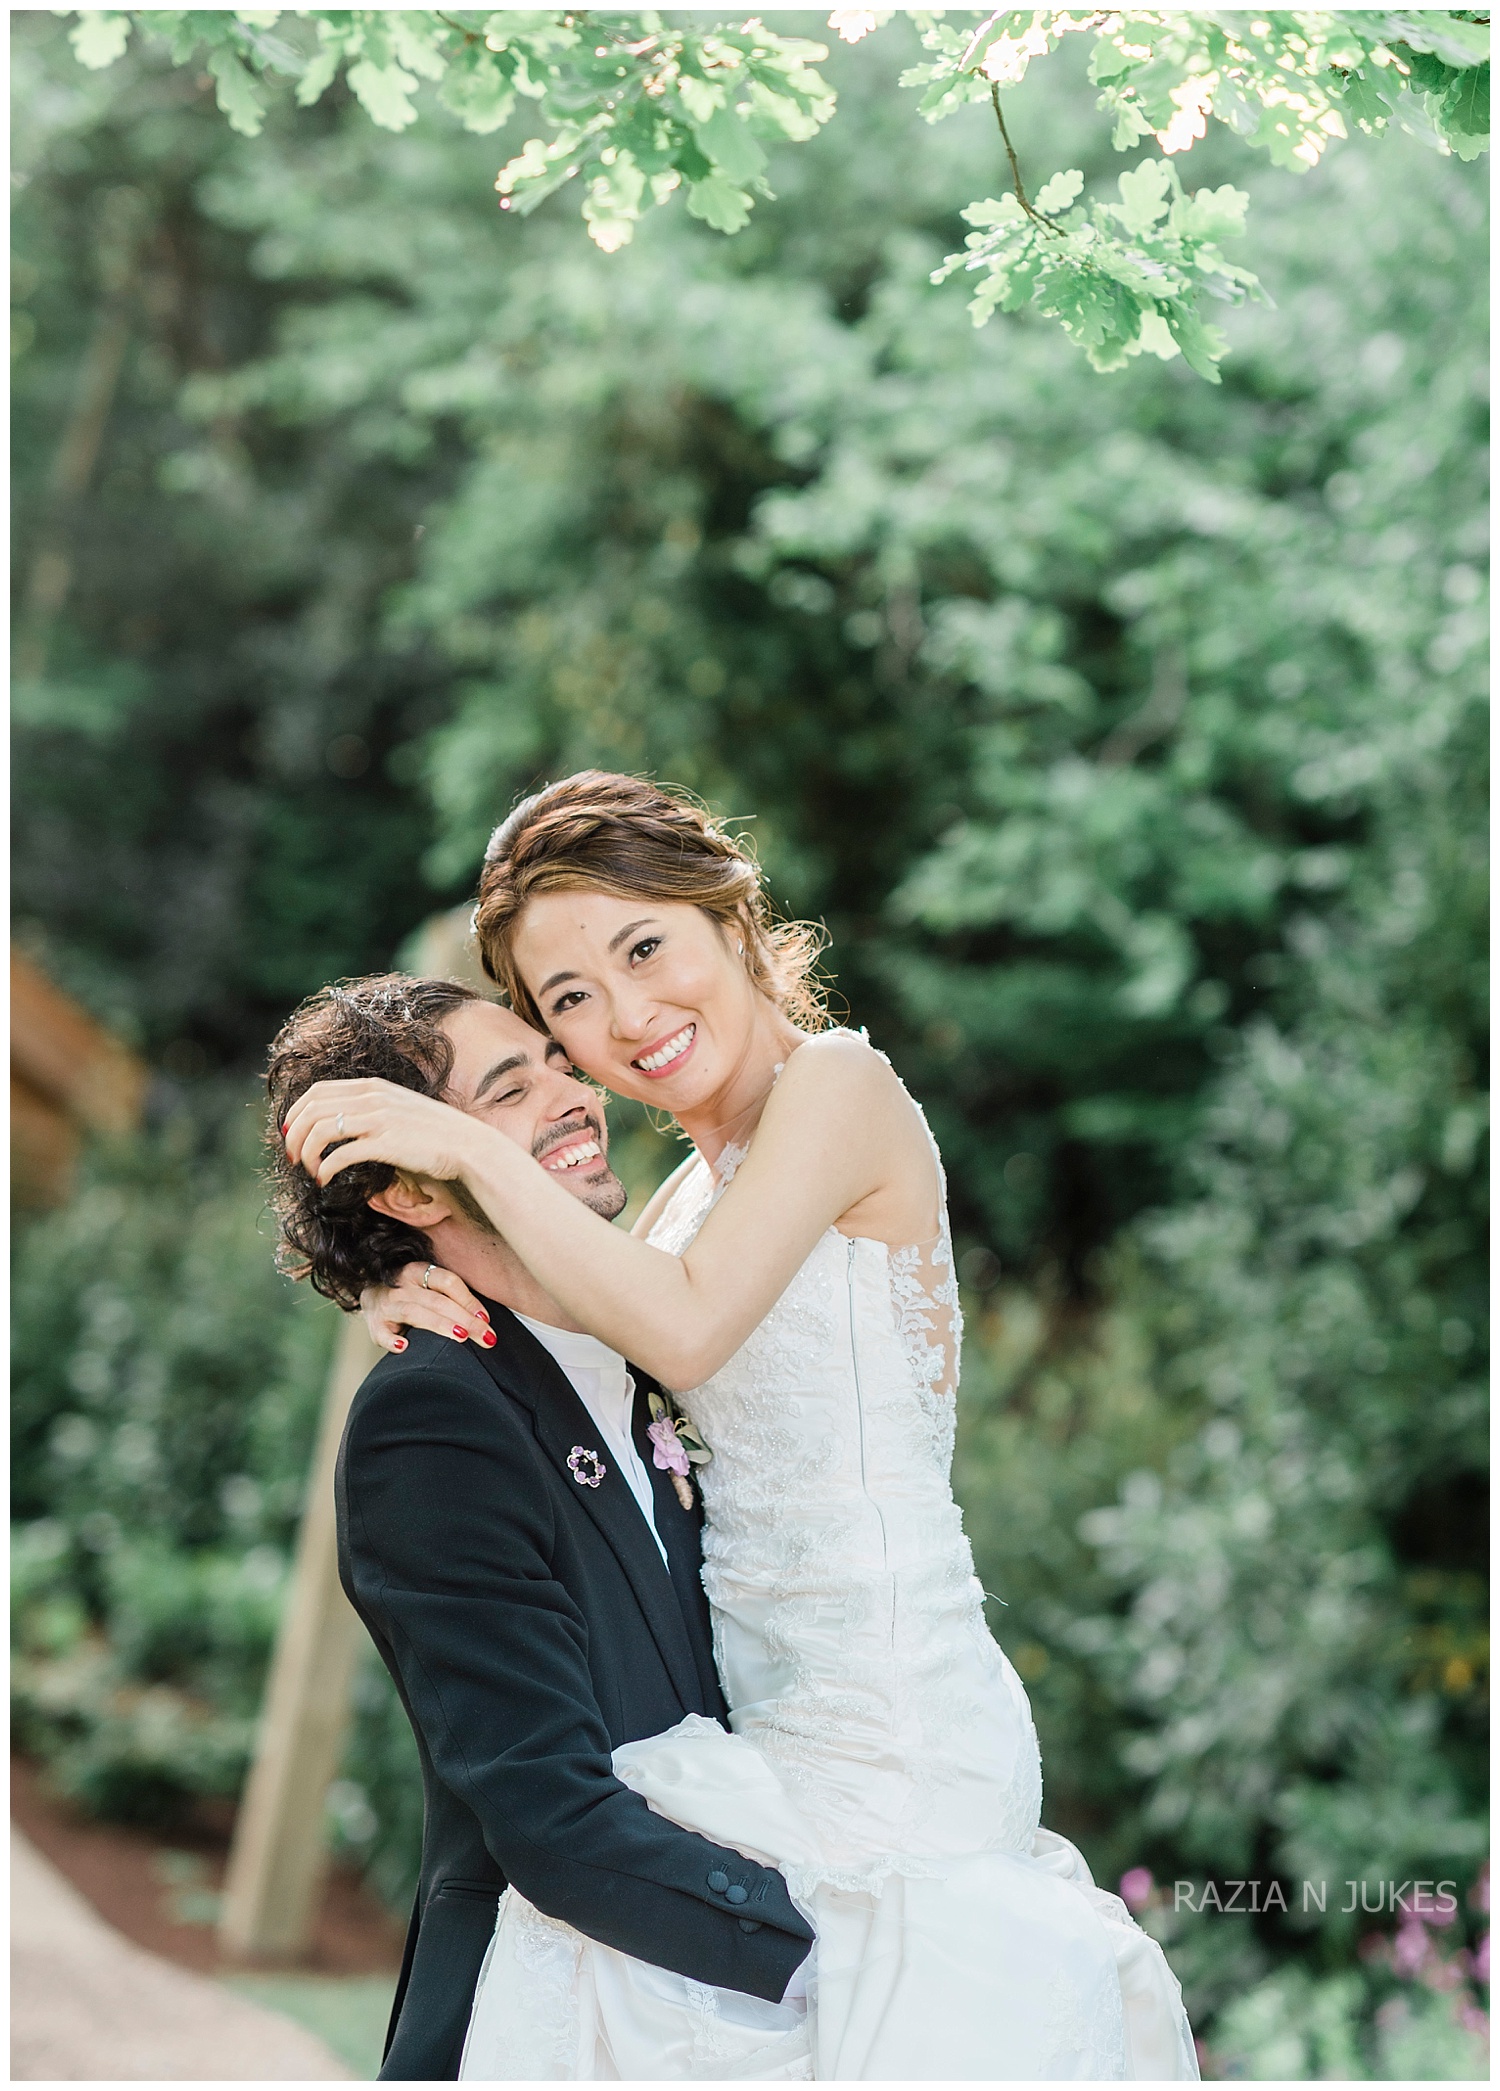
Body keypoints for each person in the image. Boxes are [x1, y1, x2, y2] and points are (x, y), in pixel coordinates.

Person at [283, 772, 1200, 2081]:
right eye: (569, 1001)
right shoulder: (675, 1209)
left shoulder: (840, 1087)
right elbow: (574, 1323)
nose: (626, 1018)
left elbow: (688, 1327)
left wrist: (470, 1149)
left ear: (729, 915)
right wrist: (389, 1274)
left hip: (890, 1721)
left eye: (643, 948)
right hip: (763, 1739)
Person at [265, 975, 814, 2082]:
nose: (574, 1095)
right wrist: (830, 1951)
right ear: (410, 1185)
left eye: (561, 1066)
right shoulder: (434, 1421)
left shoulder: (657, 1343)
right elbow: (552, 1818)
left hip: (719, 1991)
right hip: (568, 2010)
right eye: (510, 1088)